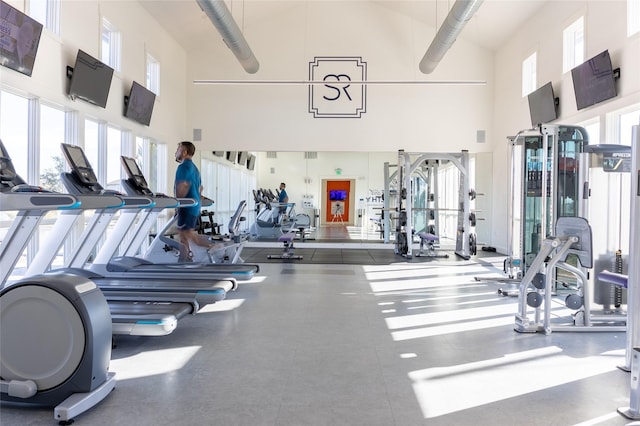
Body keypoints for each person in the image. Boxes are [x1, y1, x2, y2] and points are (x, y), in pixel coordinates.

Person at [174, 141, 220, 262]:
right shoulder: (194, 168)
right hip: (194, 206)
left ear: (184, 152)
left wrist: (177, 204)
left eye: (178, 149)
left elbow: (183, 185)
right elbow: (200, 188)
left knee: (187, 234)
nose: (176, 152)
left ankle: (215, 247)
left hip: (187, 206)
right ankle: (184, 260)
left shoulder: (183, 167)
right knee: (185, 235)